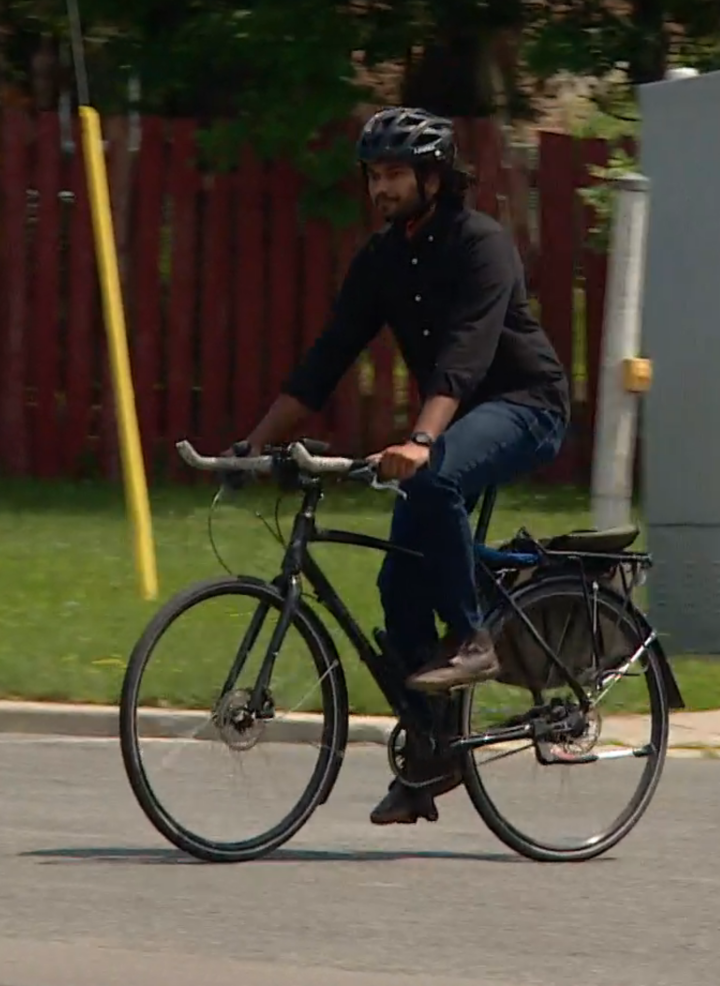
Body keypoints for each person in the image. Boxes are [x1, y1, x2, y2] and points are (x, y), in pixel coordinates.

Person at [234, 106, 571, 825]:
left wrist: (420, 441)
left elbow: (465, 359)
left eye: (393, 175)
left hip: (525, 406)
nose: (380, 189)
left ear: (433, 177)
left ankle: (477, 641)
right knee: (395, 585)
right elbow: (327, 358)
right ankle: (433, 749)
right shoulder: (383, 258)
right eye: (373, 176)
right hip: (451, 423)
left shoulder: (482, 245)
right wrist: (252, 445)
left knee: (438, 473)